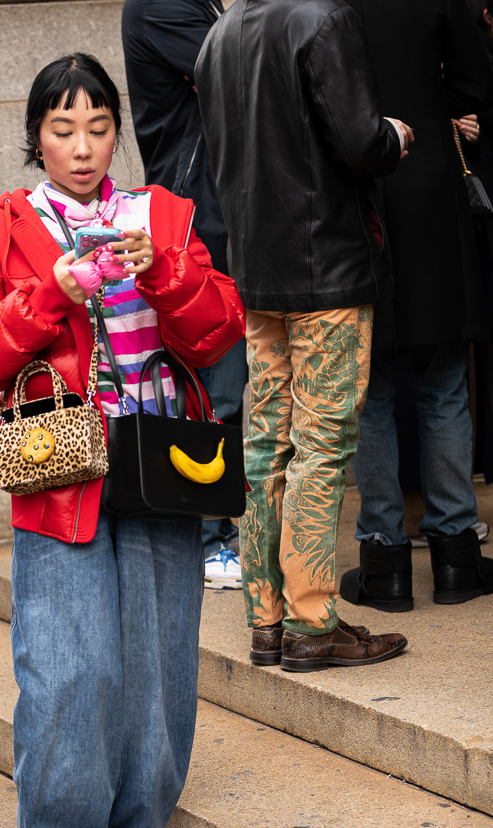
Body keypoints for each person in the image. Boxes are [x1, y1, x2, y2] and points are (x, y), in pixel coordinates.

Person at [0, 53, 244, 828]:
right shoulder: (10, 224)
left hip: (158, 463)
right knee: (70, 666)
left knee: (156, 665)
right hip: (58, 466)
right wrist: (48, 293)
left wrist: (166, 274)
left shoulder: (164, 218)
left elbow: (219, 331)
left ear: (118, 131)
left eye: (98, 127)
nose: (82, 147)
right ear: (36, 136)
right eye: (63, 129)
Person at [196, 0, 413, 672]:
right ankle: (313, 621)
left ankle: (268, 622)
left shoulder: (219, 35)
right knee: (321, 446)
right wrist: (397, 136)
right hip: (329, 267)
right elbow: (359, 141)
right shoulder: (323, 17)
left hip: (258, 267)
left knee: (266, 444)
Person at [338, 0, 493, 612]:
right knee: (444, 383)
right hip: (430, 189)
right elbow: (477, 81)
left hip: (358, 195)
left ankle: (385, 563)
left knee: (369, 391)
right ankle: (456, 553)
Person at [122, 0, 247, 590]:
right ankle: (209, 537)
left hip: (221, 209)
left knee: (226, 389)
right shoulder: (160, 5)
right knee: (212, 391)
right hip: (200, 217)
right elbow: (237, 64)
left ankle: (222, 533)